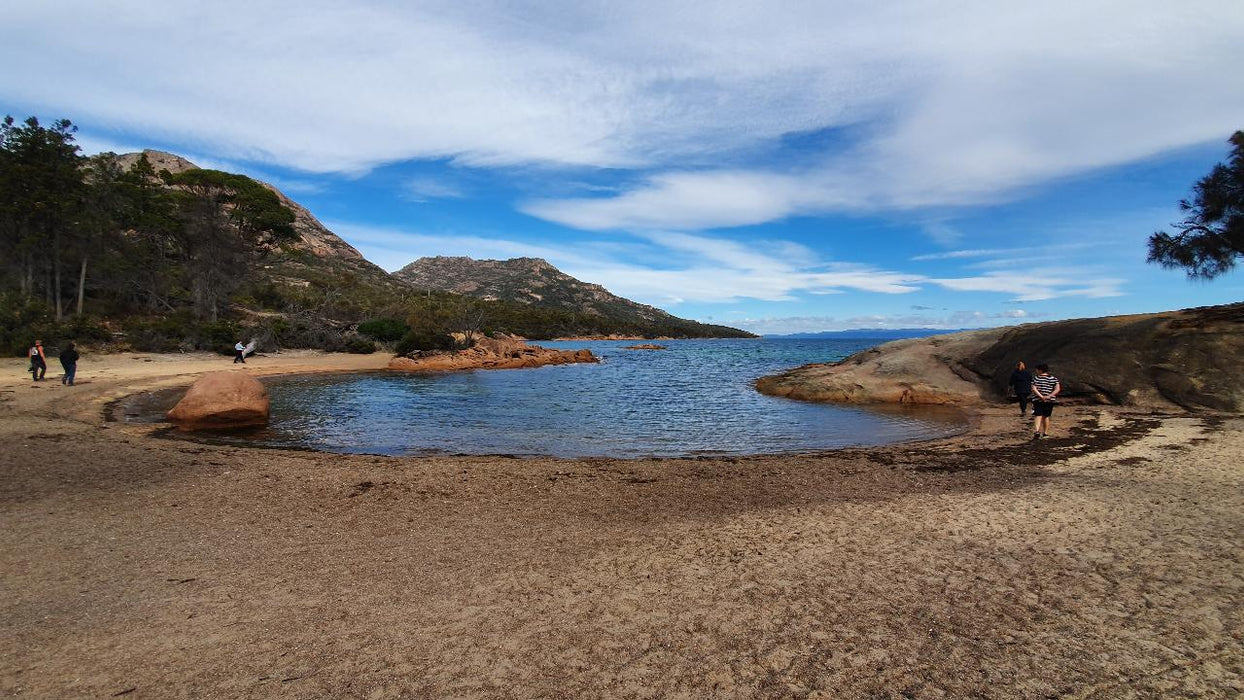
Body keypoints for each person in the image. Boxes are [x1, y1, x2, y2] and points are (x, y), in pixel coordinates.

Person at [1030, 363, 1061, 439]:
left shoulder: (1036, 378)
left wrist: (1041, 396)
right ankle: (1045, 433)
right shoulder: (1054, 379)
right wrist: (1049, 396)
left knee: (1038, 415)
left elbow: (1034, 389)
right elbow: (1057, 389)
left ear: (1040, 370)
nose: (1036, 371)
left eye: (1037, 369)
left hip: (1038, 400)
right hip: (1049, 400)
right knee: (1046, 416)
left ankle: (1037, 431)